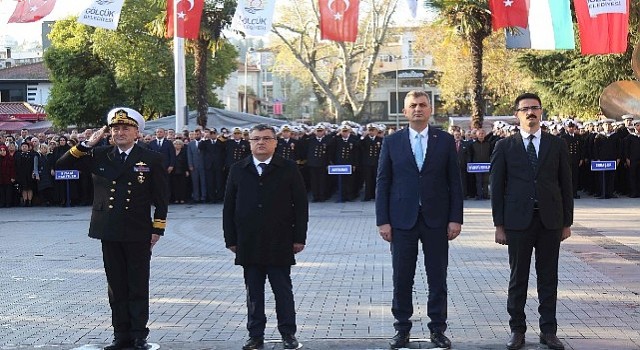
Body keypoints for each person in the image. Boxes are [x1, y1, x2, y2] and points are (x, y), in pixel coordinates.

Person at [56, 107, 169, 350]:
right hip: (108, 228)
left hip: (138, 229)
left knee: (137, 283)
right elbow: (60, 165)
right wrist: (87, 144)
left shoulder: (150, 158)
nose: (120, 132)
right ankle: (121, 335)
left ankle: (139, 335)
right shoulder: (98, 155)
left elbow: (161, 198)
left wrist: (157, 228)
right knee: (116, 285)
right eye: (115, 128)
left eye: (125, 128)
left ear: (137, 132)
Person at [376, 90, 463, 349]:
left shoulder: (445, 141)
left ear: (430, 110)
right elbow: (383, 182)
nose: (418, 109)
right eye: (412, 105)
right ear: (404, 112)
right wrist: (383, 220)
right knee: (402, 277)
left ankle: (437, 329)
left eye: (423, 105)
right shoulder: (392, 142)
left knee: (438, 278)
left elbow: (454, 183)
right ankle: (402, 329)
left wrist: (455, 219)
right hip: (401, 221)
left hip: (437, 221)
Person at [490, 93, 573, 350]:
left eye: (535, 108)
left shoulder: (556, 144)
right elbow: (497, 187)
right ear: (517, 114)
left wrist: (566, 222)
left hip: (550, 221)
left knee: (548, 278)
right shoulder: (505, 146)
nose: (530, 113)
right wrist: (499, 225)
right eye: (525, 109)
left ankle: (548, 331)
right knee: (519, 278)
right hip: (517, 223)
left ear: (541, 111)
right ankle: (517, 330)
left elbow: (566, 185)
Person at [223, 124, 308, 350]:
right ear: (249, 143)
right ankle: (255, 335)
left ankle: (288, 334)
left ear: (275, 142)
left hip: (280, 240)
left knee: (283, 291)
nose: (261, 142)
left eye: (266, 138)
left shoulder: (288, 168)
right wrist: (231, 239)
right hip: (248, 241)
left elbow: (301, 206)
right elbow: (228, 207)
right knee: (254, 293)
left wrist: (299, 237)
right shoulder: (238, 169)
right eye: (256, 139)